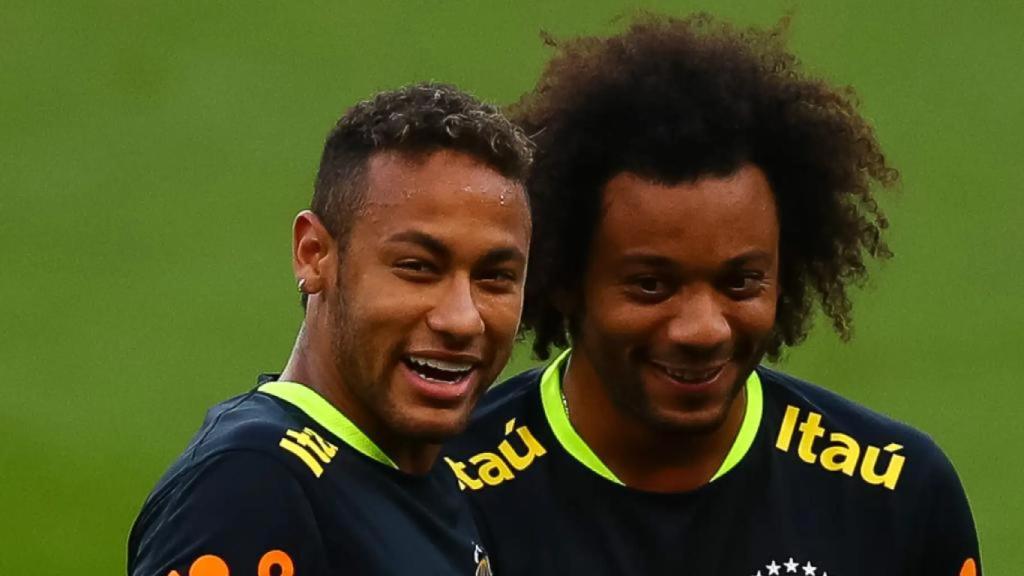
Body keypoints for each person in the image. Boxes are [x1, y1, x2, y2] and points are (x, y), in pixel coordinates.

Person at [444, 14, 981, 576]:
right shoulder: (446, 492)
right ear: (563, 280)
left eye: (740, 282)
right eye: (651, 285)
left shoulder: (896, 497)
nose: (703, 329)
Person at [128, 83, 533, 576]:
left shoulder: (420, 474)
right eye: (417, 267)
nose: (462, 318)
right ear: (314, 254)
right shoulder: (253, 488)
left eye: (495, 277)